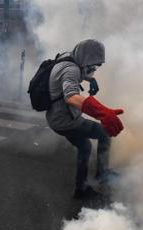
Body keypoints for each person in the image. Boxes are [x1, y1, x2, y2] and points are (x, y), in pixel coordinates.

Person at [46, 39, 124, 199]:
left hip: (56, 118)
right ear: (86, 59)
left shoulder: (68, 57)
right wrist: (102, 112)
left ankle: (80, 188)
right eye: (93, 66)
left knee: (85, 147)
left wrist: (91, 79)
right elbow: (71, 97)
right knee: (105, 133)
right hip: (66, 121)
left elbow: (76, 75)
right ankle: (102, 176)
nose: (94, 69)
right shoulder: (71, 70)